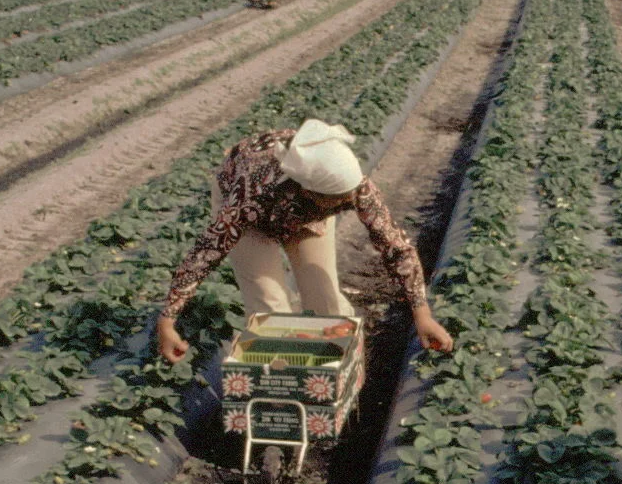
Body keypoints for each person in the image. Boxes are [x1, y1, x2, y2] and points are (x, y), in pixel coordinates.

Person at [154, 120, 453, 364]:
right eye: (337, 202)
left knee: (329, 305)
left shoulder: (353, 188)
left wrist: (421, 312)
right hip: (253, 217)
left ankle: (339, 385)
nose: (347, 203)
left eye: (347, 198)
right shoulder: (252, 193)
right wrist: (168, 320)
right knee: (268, 310)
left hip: (305, 215)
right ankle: (280, 391)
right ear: (309, 192)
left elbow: (395, 247)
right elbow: (207, 252)